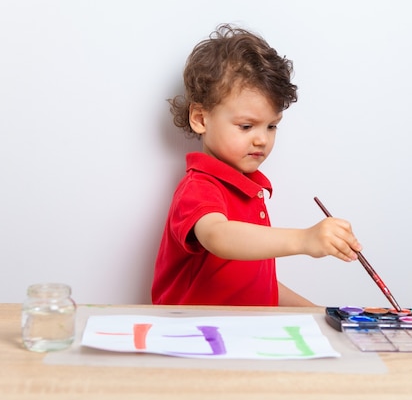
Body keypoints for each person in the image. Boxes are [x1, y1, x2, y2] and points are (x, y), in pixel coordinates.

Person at [151, 24, 362, 307]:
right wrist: (304, 240)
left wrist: (318, 313)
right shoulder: (199, 186)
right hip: (192, 338)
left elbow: (255, 284)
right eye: (247, 126)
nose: (262, 139)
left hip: (240, 338)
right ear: (201, 118)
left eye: (272, 126)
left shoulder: (250, 191)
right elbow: (218, 236)